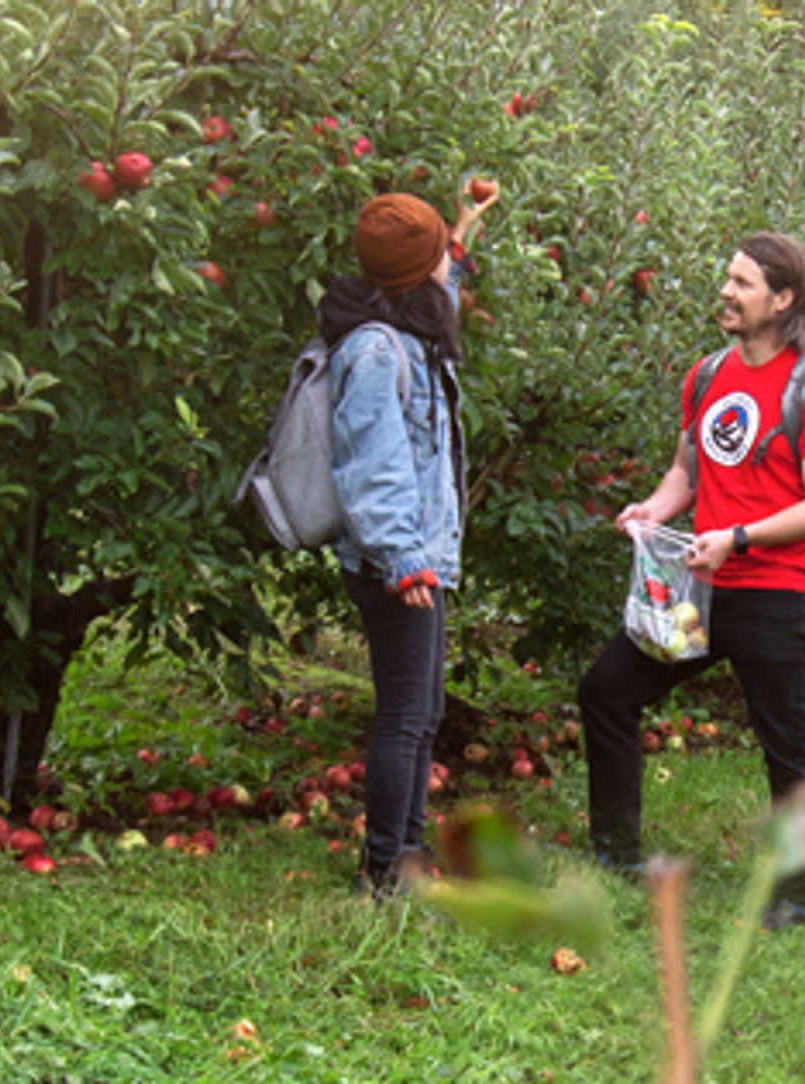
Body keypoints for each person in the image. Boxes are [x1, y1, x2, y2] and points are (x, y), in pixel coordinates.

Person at [578, 231, 805, 930]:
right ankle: (615, 853)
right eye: (727, 279)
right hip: (698, 589)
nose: (726, 293)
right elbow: (688, 471)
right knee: (607, 691)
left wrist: (738, 537)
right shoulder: (706, 376)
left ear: (783, 299)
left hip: (778, 594)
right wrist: (655, 507)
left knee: (786, 742)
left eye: (743, 283)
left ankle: (796, 896)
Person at [324, 180, 498, 897]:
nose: (443, 271)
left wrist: (461, 230)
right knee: (403, 715)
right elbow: (376, 466)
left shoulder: (409, 325)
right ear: (411, 269)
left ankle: (409, 853)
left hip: (418, 554)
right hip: (396, 561)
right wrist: (402, 560)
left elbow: (442, 289)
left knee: (423, 710)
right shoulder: (374, 351)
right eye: (435, 255)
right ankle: (385, 872)